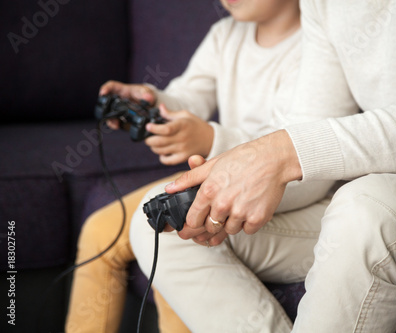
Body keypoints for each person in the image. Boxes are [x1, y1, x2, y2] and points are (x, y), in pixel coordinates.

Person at [131, 0, 396, 332]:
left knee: (365, 206)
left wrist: (283, 153)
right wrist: (239, 184)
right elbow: (308, 160)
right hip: (374, 204)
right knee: (163, 221)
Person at [66, 0, 335, 332]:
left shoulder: (318, 44)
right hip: (219, 175)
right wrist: (150, 100)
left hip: (284, 191)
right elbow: (188, 96)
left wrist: (209, 139)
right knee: (98, 231)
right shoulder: (225, 35)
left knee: (175, 233)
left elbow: (290, 148)